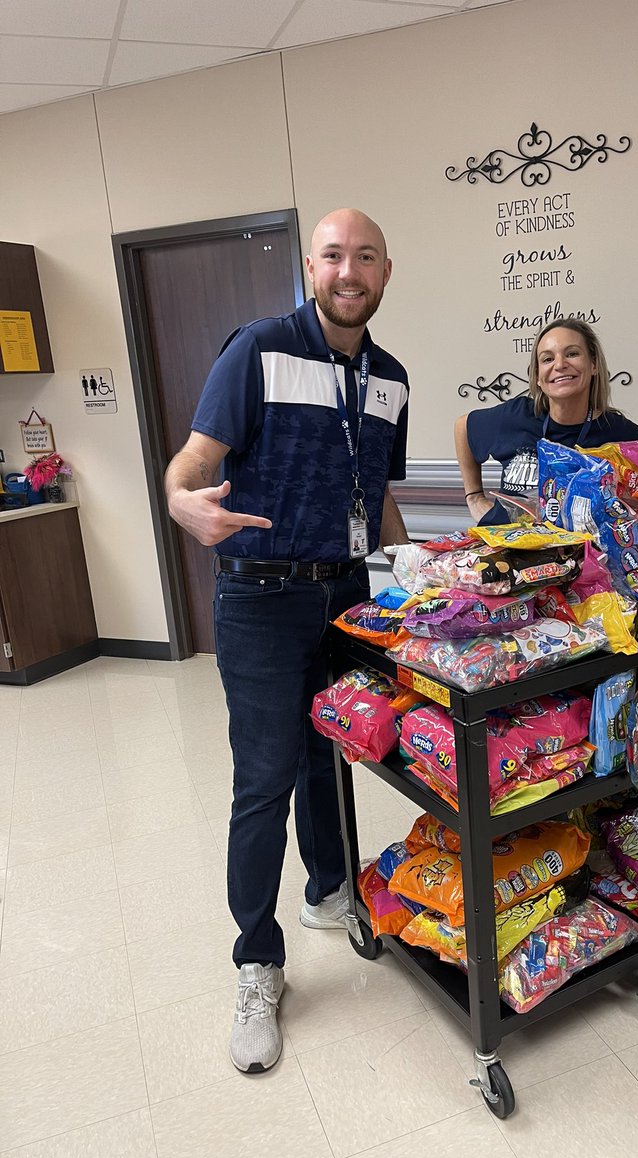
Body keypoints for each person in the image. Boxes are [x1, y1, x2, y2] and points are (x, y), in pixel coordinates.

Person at [165, 208, 409, 1074]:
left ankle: (328, 890)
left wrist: (415, 576)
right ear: (311, 267)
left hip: (346, 595)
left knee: (328, 755)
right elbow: (192, 464)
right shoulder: (259, 349)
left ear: (385, 273)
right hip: (262, 598)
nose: (349, 271)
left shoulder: (391, 378)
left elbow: (379, 494)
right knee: (265, 777)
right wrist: (182, 502)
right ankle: (257, 962)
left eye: (366, 257)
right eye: (334, 255)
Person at [454, 318, 638, 524]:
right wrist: (474, 497)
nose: (559, 365)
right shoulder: (516, 416)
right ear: (537, 376)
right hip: (501, 542)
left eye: (572, 354)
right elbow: (462, 426)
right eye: (547, 359)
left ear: (593, 364)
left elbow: (633, 513)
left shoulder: (623, 435)